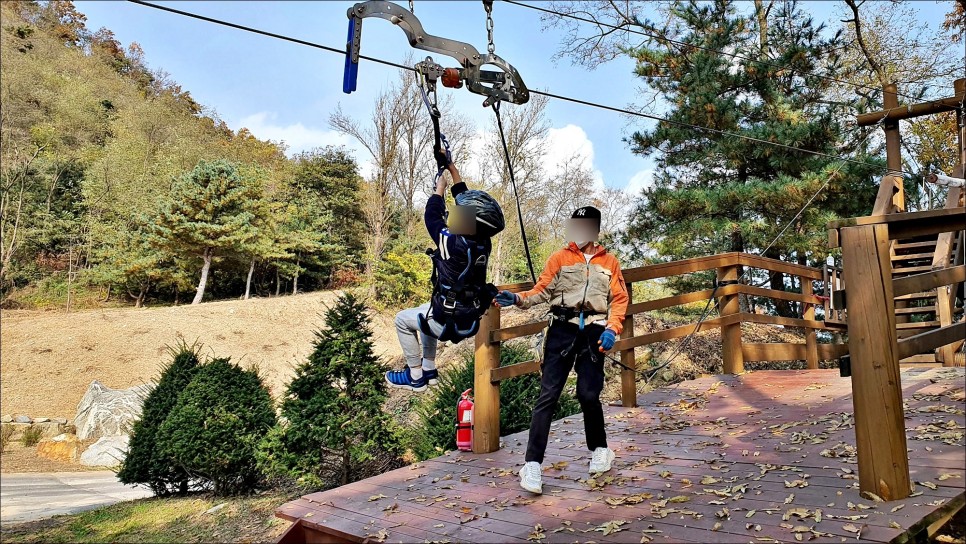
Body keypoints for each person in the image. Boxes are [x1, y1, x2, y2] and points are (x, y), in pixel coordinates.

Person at [495, 206, 628, 494]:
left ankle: (601, 449)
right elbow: (541, 291)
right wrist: (516, 298)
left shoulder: (610, 263)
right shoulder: (559, 258)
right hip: (561, 330)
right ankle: (531, 464)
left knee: (588, 394)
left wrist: (612, 329)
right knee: (548, 395)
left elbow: (619, 299)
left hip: (594, 331)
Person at [386, 154, 504, 392]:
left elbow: (431, 216)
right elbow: (465, 199)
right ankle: (429, 369)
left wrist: (438, 190)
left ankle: (415, 375)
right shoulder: (482, 242)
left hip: (448, 320)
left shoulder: (452, 243)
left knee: (402, 320)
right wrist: (451, 168)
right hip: (467, 317)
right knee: (424, 310)